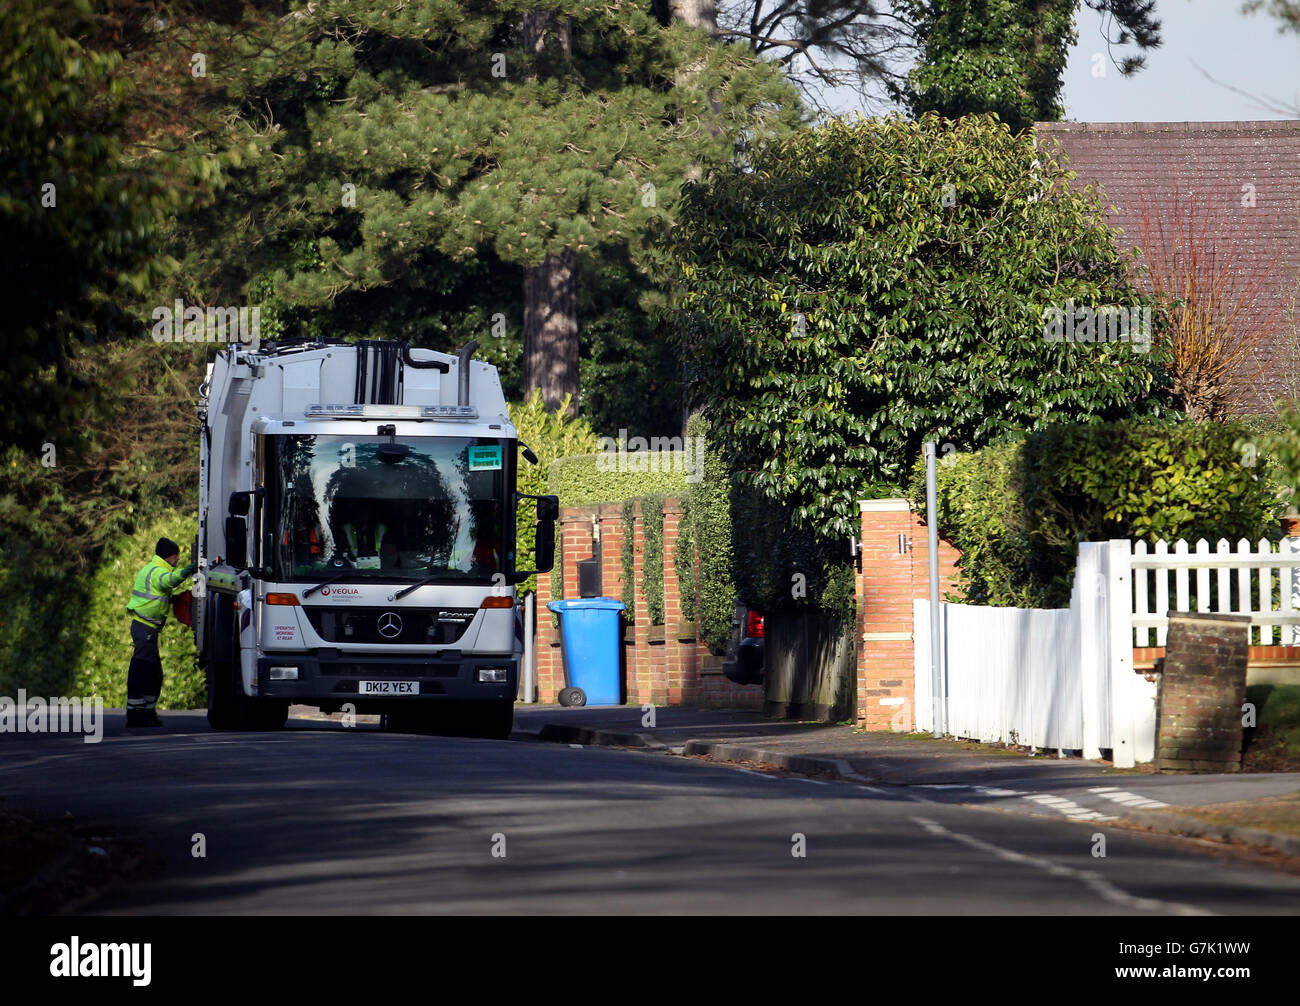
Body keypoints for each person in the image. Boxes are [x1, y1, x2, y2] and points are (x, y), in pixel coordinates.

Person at [124, 537, 196, 728]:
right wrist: (188, 570)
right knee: (143, 670)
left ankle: (147, 712)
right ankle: (136, 714)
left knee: (154, 673)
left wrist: (175, 600)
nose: (178, 559)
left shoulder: (154, 569)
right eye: (176, 556)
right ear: (169, 556)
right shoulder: (157, 571)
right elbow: (168, 582)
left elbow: (159, 594)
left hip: (147, 628)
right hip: (144, 627)